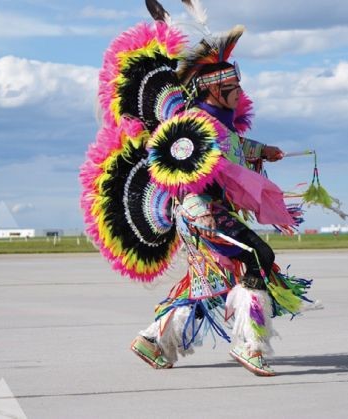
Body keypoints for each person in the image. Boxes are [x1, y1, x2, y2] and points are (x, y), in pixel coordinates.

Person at [129, 25, 312, 377]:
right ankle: (251, 344)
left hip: (213, 213)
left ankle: (153, 340)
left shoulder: (214, 124)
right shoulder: (192, 124)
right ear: (214, 89)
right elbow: (179, 173)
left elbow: (230, 148)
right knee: (259, 256)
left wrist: (263, 151)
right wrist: (199, 212)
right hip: (203, 214)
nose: (240, 93)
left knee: (213, 286)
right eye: (234, 87)